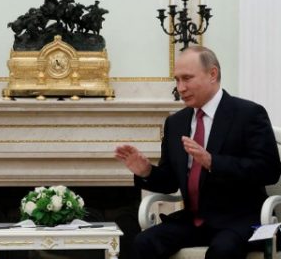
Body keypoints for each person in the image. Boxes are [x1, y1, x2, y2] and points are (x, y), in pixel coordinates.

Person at [115, 46, 281, 259]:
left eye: (187, 78)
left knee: (222, 250)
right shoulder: (175, 122)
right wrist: (146, 171)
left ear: (212, 74)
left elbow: (268, 171)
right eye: (177, 80)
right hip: (193, 220)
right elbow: (169, 182)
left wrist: (213, 162)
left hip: (238, 220)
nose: (180, 88)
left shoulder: (248, 114)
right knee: (142, 243)